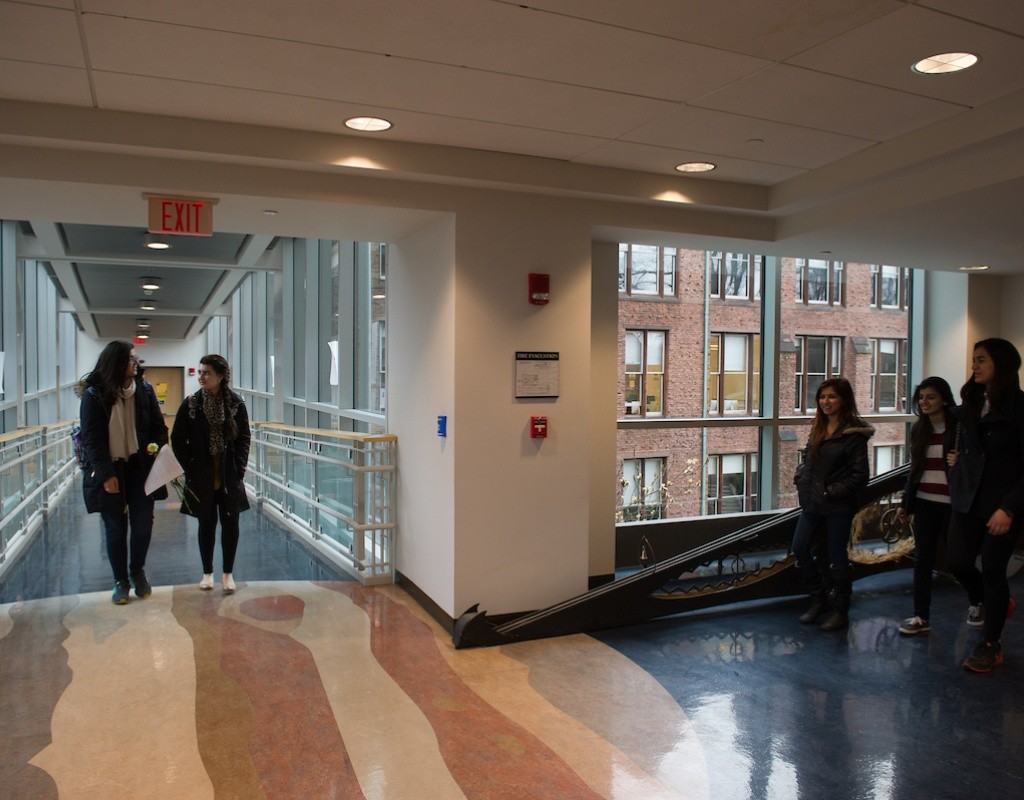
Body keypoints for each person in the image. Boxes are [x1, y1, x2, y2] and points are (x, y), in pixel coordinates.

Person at [946, 338, 1024, 673]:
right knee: (956, 562)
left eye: (981, 360)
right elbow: (958, 448)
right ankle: (993, 603)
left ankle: (990, 644)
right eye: (973, 360)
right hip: (967, 500)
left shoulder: (1020, 408)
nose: (974, 366)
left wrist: (1009, 508)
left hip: (1001, 505)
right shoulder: (971, 403)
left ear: (1001, 364)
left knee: (993, 569)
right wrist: (956, 469)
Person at [77, 341, 168, 604]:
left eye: (136, 358)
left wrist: (157, 447)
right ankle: (120, 581)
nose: (136, 363)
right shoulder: (94, 395)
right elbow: (91, 439)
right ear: (116, 363)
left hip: (141, 466)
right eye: (131, 359)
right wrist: (106, 475)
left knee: (143, 524)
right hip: (111, 468)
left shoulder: (145, 390)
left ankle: (137, 571)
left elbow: (159, 427)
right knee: (115, 527)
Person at [792, 377, 874, 631]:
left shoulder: (853, 434)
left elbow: (860, 476)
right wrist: (801, 478)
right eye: (822, 397)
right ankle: (820, 600)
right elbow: (807, 458)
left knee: (838, 557)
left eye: (832, 396)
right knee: (800, 547)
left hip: (837, 506)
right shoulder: (818, 427)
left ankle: (841, 610)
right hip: (812, 502)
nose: (825, 401)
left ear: (844, 400)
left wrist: (829, 492)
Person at [171, 354, 251, 593]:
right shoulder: (191, 404)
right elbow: (177, 439)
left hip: (229, 475)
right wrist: (190, 467)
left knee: (230, 524)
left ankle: (228, 574)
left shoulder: (236, 403)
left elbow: (244, 438)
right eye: (200, 372)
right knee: (206, 524)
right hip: (202, 476)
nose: (202, 377)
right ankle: (207, 573)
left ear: (220, 375)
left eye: (207, 373)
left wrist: (239, 468)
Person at [896, 377, 958, 635]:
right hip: (924, 502)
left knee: (958, 560)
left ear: (944, 399)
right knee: (922, 560)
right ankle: (921, 616)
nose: (924, 402)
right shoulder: (920, 429)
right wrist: (905, 503)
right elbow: (915, 470)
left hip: (953, 505)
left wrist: (961, 461)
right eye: (921, 397)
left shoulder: (959, 428)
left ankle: (980, 601)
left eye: (931, 397)